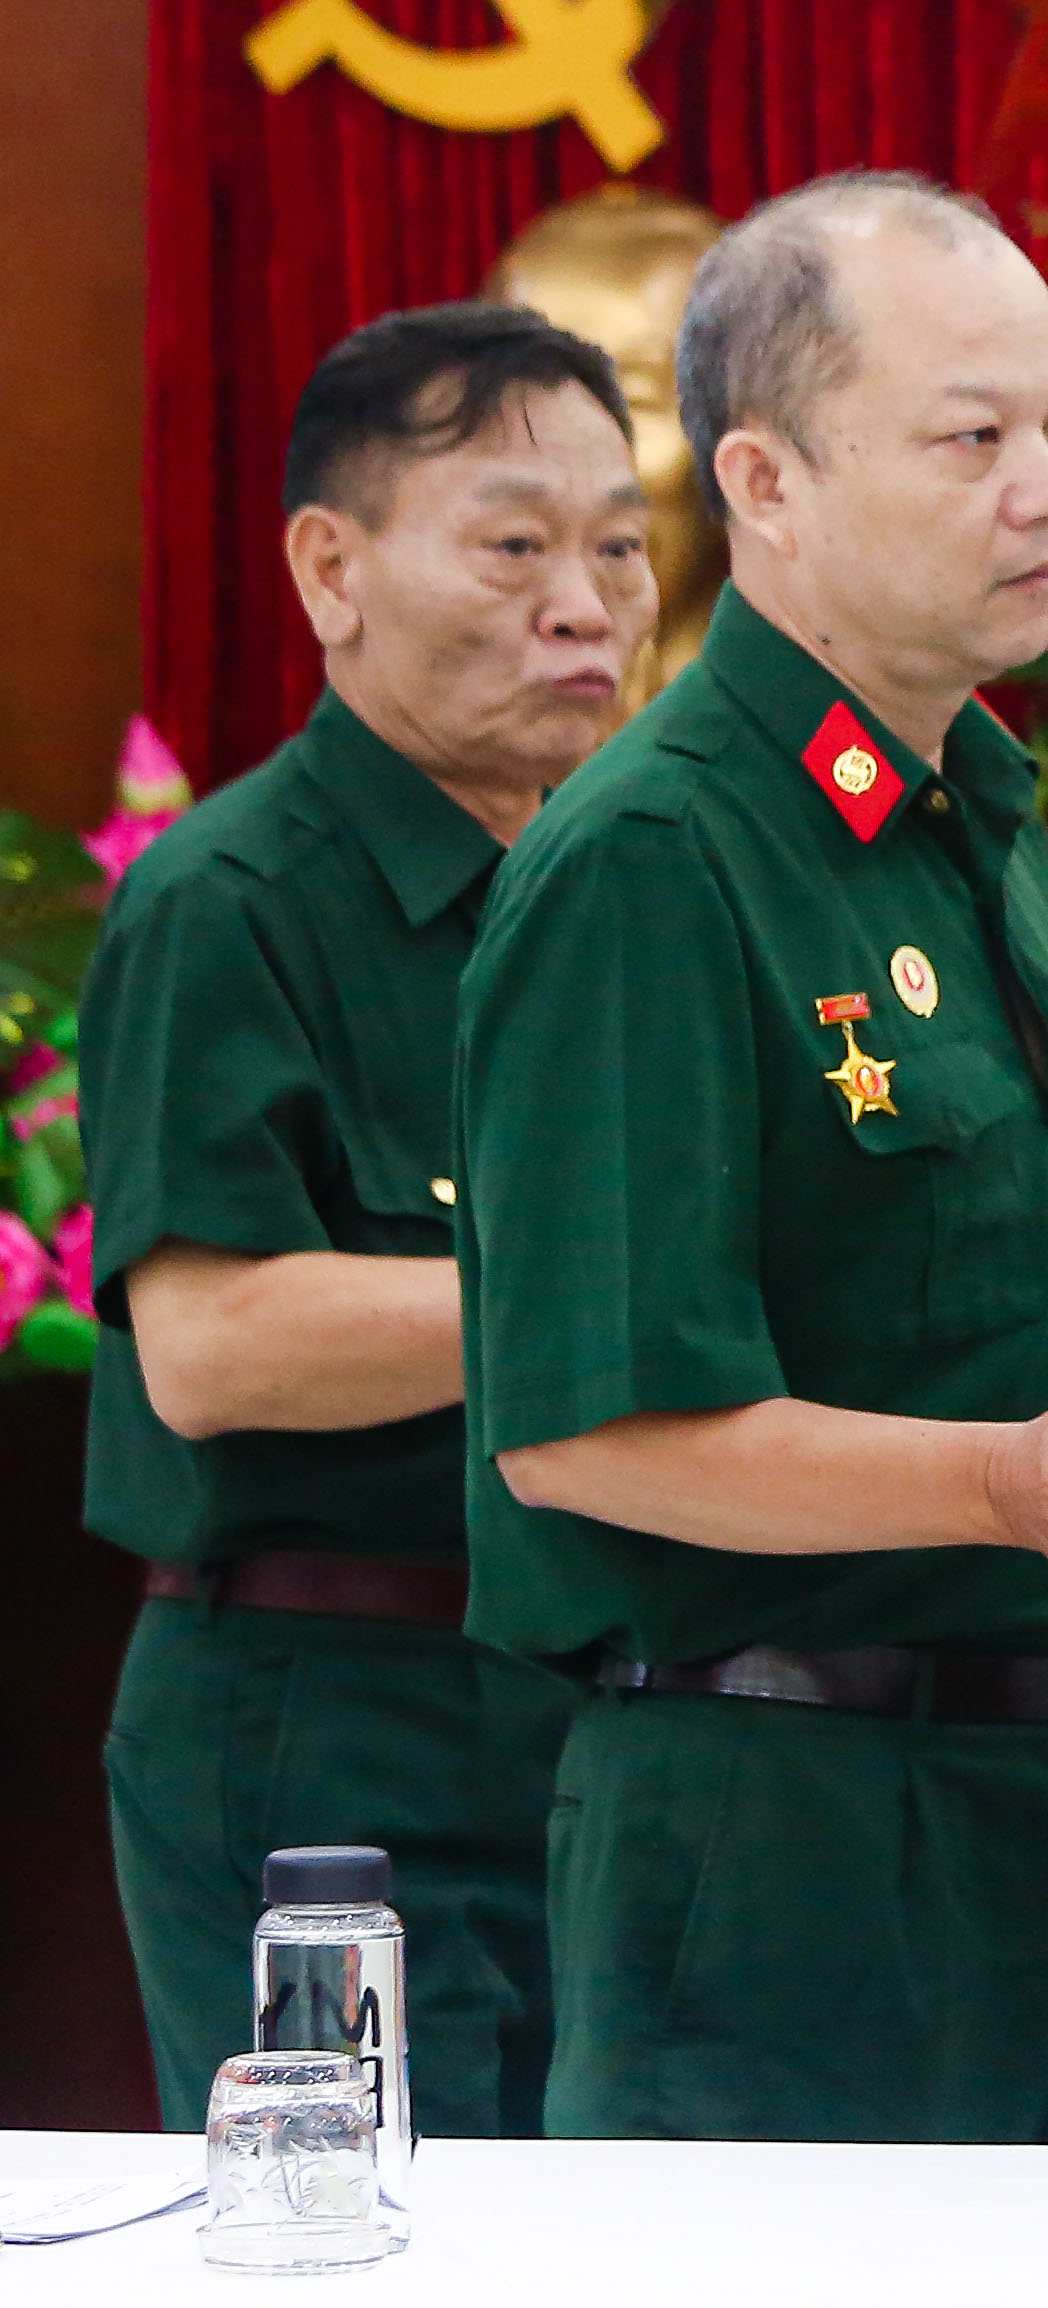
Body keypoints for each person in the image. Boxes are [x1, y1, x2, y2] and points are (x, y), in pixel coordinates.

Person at [452, 172, 1048, 2144]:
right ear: (766, 481)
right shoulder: (659, 857)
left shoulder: (969, 814)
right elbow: (584, 1431)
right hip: (784, 1840)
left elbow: (976, 1330)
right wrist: (1000, 1487)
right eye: (972, 440)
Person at [85, 302, 659, 2135]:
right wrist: (635, 1311)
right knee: (372, 2296)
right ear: (330, 569)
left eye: (622, 548)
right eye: (513, 545)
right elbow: (212, 1346)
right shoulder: (232, 901)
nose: (586, 604)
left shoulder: (619, 904)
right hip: (324, 1729)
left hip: (601, 1714)